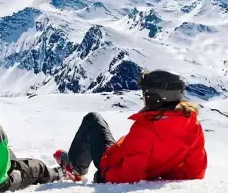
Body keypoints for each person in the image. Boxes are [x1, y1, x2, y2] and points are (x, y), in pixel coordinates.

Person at [53, 69, 208, 184]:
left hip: (111, 162)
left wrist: (105, 174)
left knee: (93, 119)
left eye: (146, 93)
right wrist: (161, 174)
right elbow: (196, 170)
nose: (143, 97)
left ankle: (74, 168)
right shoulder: (192, 124)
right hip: (129, 158)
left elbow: (129, 175)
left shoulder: (146, 128)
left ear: (154, 97)